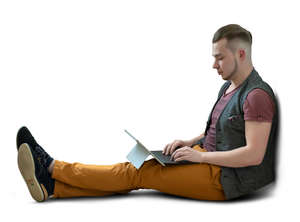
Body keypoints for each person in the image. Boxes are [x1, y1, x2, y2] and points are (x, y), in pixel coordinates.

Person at [16, 24, 278, 202]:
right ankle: (53, 187)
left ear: (241, 53)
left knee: (137, 173)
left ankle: (51, 167)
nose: (213, 65)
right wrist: (190, 143)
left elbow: (254, 155)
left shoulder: (256, 96)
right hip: (207, 158)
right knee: (137, 163)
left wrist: (199, 160)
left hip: (224, 178)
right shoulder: (229, 86)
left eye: (219, 57)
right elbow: (221, 131)